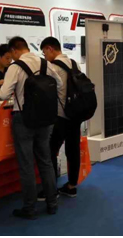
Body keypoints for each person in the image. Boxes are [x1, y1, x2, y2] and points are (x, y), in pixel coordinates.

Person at [0, 36, 65, 219]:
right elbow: (59, 84)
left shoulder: (15, 67)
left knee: (26, 164)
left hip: (23, 119)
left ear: (14, 50)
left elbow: (3, 94)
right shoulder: (45, 64)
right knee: (45, 160)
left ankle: (29, 208)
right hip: (46, 118)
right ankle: (52, 203)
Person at [38, 37, 81, 200]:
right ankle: (71, 186)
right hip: (75, 114)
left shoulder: (52, 67)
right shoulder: (74, 63)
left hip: (60, 116)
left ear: (50, 49)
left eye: (44, 52)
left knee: (50, 151)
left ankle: (50, 189)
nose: (45, 56)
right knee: (73, 150)